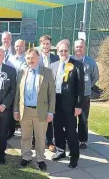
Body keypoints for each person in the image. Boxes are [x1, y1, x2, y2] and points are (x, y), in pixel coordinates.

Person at [13, 49, 56, 172]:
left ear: (38, 58)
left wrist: (50, 112)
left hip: (41, 111)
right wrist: (16, 110)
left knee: (40, 137)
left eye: (32, 58)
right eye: (28, 58)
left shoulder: (47, 72)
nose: (30, 60)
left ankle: (40, 159)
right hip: (25, 110)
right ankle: (26, 157)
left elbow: (52, 95)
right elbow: (18, 93)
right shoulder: (21, 72)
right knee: (25, 136)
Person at [50, 39, 84, 168]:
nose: (63, 53)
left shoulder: (76, 64)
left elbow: (81, 87)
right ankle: (60, 151)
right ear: (57, 52)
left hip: (70, 104)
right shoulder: (54, 65)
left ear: (68, 51)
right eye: (61, 51)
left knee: (71, 132)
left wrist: (79, 105)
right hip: (56, 102)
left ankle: (74, 156)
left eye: (65, 50)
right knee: (57, 129)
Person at [32, 35, 59, 151]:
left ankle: (49, 141)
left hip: (51, 91)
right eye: (44, 43)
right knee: (36, 115)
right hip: (38, 91)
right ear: (40, 44)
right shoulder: (36, 58)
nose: (46, 46)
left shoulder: (56, 58)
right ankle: (35, 140)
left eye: (48, 43)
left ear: (50, 45)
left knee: (49, 115)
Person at [72, 39, 99, 149]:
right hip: (71, 96)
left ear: (85, 48)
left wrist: (88, 87)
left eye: (81, 47)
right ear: (74, 48)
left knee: (83, 119)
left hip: (84, 96)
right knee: (71, 119)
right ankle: (72, 138)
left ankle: (83, 140)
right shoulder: (70, 60)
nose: (79, 49)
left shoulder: (90, 62)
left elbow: (95, 77)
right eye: (77, 47)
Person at [6, 39, 27, 139]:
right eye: (17, 46)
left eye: (21, 46)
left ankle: (25, 133)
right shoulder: (10, 60)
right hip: (12, 88)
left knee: (23, 110)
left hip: (24, 89)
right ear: (14, 47)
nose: (19, 48)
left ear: (24, 46)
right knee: (11, 110)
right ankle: (11, 131)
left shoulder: (28, 58)